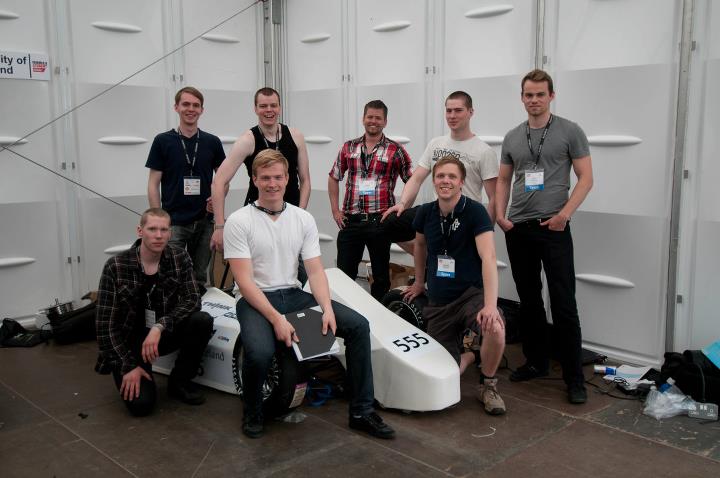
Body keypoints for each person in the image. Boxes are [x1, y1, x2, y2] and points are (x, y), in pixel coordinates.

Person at [223, 149, 395, 440]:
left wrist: (326, 308)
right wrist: (276, 319)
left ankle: (361, 412)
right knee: (260, 353)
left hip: (293, 295)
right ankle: (253, 411)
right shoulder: (239, 221)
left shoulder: (302, 218)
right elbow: (245, 282)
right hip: (255, 300)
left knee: (358, 326)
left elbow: (315, 272)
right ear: (254, 179)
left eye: (278, 177)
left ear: (287, 179)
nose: (272, 184)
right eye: (265, 178)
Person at [495, 69, 593, 404]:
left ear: (551, 95)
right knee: (530, 301)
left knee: (564, 303)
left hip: (554, 227)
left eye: (540, 94)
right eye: (529, 95)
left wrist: (564, 215)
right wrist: (500, 215)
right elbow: (504, 179)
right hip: (519, 228)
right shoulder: (512, 137)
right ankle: (536, 362)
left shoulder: (570, 131)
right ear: (522, 98)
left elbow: (585, 178)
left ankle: (574, 379)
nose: (534, 100)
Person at [404, 157, 506, 416]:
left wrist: (491, 306)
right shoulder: (425, 212)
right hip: (440, 303)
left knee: (495, 328)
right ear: (434, 180)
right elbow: (420, 246)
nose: (445, 181)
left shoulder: (475, 212)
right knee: (446, 374)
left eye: (451, 176)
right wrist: (419, 282)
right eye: (440, 176)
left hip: (471, 295)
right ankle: (472, 355)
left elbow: (489, 257)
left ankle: (488, 385)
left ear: (461, 182)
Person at [95, 208, 213, 416]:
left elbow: (192, 299)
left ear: (170, 233)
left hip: (160, 334)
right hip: (130, 344)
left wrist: (160, 326)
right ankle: (136, 370)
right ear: (140, 231)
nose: (158, 235)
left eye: (163, 230)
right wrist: (127, 366)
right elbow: (105, 327)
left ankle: (179, 381)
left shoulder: (179, 257)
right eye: (152, 229)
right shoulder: (116, 266)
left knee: (201, 320)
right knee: (142, 406)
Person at [382, 91, 499, 253]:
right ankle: (428, 259)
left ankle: (433, 260)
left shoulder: (483, 151)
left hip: (464, 218)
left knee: (458, 261)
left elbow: (494, 197)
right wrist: (403, 204)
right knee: (389, 223)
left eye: (458, 110)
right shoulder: (436, 144)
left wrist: (485, 232)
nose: (452, 116)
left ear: (470, 112)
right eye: (448, 111)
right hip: (435, 213)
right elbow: (416, 179)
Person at [328, 100, 412, 301]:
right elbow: (333, 177)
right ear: (363, 119)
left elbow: (412, 180)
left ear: (385, 121)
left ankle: (379, 312)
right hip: (351, 221)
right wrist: (335, 211)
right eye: (370, 117)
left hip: (380, 222)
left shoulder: (395, 150)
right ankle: (346, 312)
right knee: (344, 275)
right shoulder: (348, 147)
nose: (373, 121)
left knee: (381, 278)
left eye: (378, 118)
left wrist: (401, 207)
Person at [146, 86, 226, 285]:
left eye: (196, 105)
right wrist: (159, 220)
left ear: (202, 110)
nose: (191, 109)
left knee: (199, 278)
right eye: (186, 104)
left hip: (205, 221)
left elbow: (223, 180)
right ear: (176, 107)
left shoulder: (212, 142)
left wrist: (217, 198)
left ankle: (197, 304)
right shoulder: (162, 141)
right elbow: (153, 184)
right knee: (172, 275)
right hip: (174, 222)